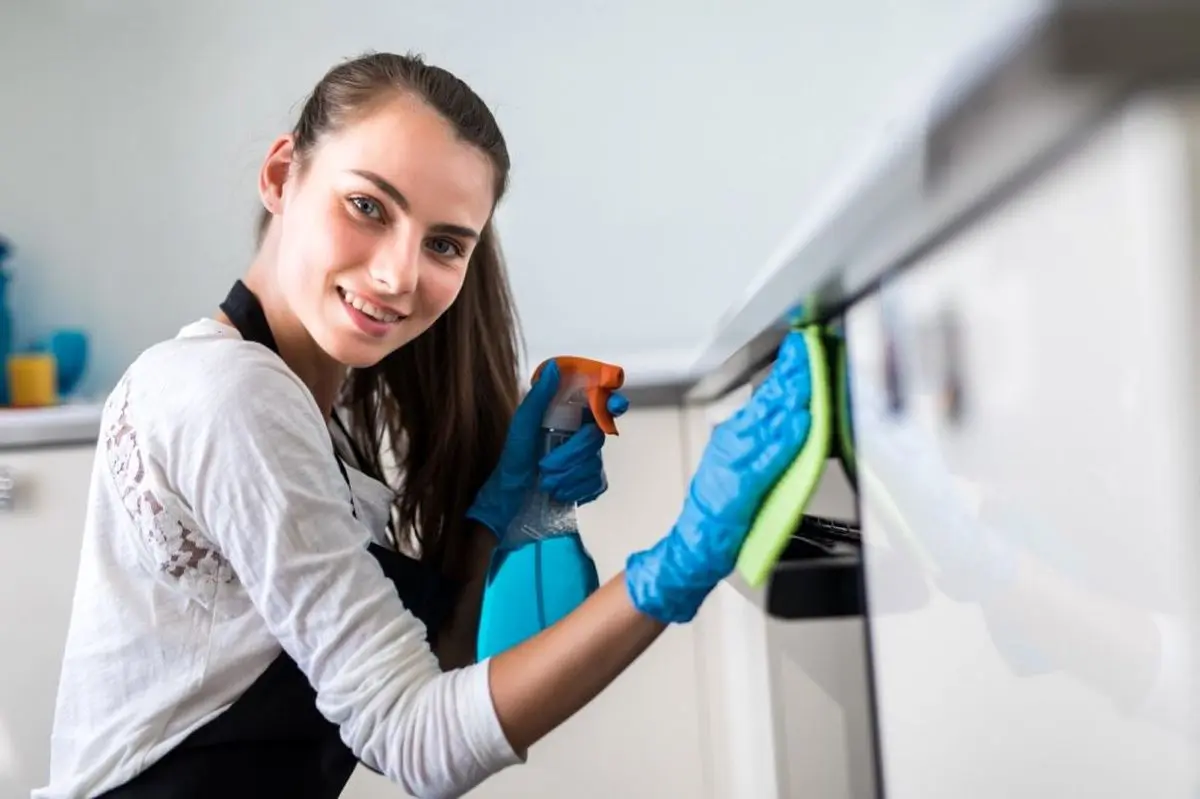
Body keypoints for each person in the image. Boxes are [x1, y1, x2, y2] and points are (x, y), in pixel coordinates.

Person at [34, 52, 813, 799]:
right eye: (367, 206)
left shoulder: (290, 402)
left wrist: (501, 517)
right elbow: (417, 740)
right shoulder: (230, 395)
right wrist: (679, 562)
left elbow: (427, 676)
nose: (398, 274)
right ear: (281, 175)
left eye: (444, 243)